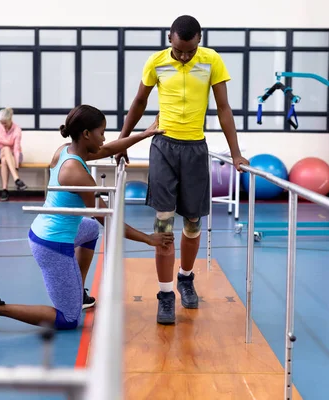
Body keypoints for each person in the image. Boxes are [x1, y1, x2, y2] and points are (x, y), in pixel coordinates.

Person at [0, 104, 174, 331]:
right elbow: (106, 217)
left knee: (90, 230)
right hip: (52, 245)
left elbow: (107, 150)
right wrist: (148, 239)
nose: (104, 138)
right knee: (69, 319)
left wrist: (145, 134)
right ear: (86, 134)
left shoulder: (66, 149)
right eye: (101, 132)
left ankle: (77, 291)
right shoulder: (76, 173)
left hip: (44, 229)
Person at [115, 15, 250, 325]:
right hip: (163, 147)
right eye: (179, 50)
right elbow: (138, 101)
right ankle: (165, 295)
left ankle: (186, 278)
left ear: (199, 40)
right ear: (169, 39)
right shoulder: (157, 62)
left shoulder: (212, 60)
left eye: (190, 50)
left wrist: (236, 153)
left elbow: (224, 108)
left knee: (192, 221)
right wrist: (123, 142)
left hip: (195, 148)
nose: (185, 56)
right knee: (163, 222)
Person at [0, 107, 27, 201]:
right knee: (5, 149)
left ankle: (5, 190)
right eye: (1, 123)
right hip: (1, 152)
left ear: (10, 119)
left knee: (4, 160)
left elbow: (16, 149)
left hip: (16, 155)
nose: (3, 125)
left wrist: (16, 166)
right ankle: (17, 179)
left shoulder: (17, 130)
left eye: (5, 123)